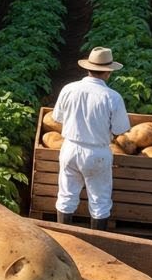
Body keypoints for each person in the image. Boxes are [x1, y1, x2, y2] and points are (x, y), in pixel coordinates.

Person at [51, 47, 131, 231]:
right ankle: (96, 242)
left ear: (88, 68)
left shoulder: (68, 89)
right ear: (108, 72)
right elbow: (120, 129)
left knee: (66, 196)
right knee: (99, 201)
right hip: (97, 153)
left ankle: (63, 237)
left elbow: (57, 118)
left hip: (69, 148)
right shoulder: (112, 97)